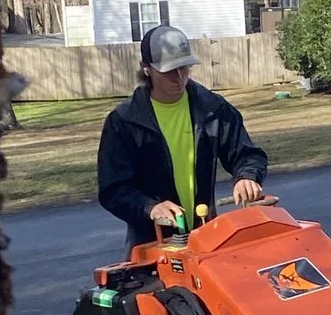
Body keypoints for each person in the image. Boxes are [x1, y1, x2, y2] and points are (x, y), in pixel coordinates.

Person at [97, 25, 267, 252]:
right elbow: (113, 189)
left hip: (206, 237)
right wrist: (150, 207)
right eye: (168, 71)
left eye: (184, 68)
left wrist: (247, 176)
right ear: (146, 69)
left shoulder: (212, 108)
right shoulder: (124, 121)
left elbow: (246, 153)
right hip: (152, 245)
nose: (178, 78)